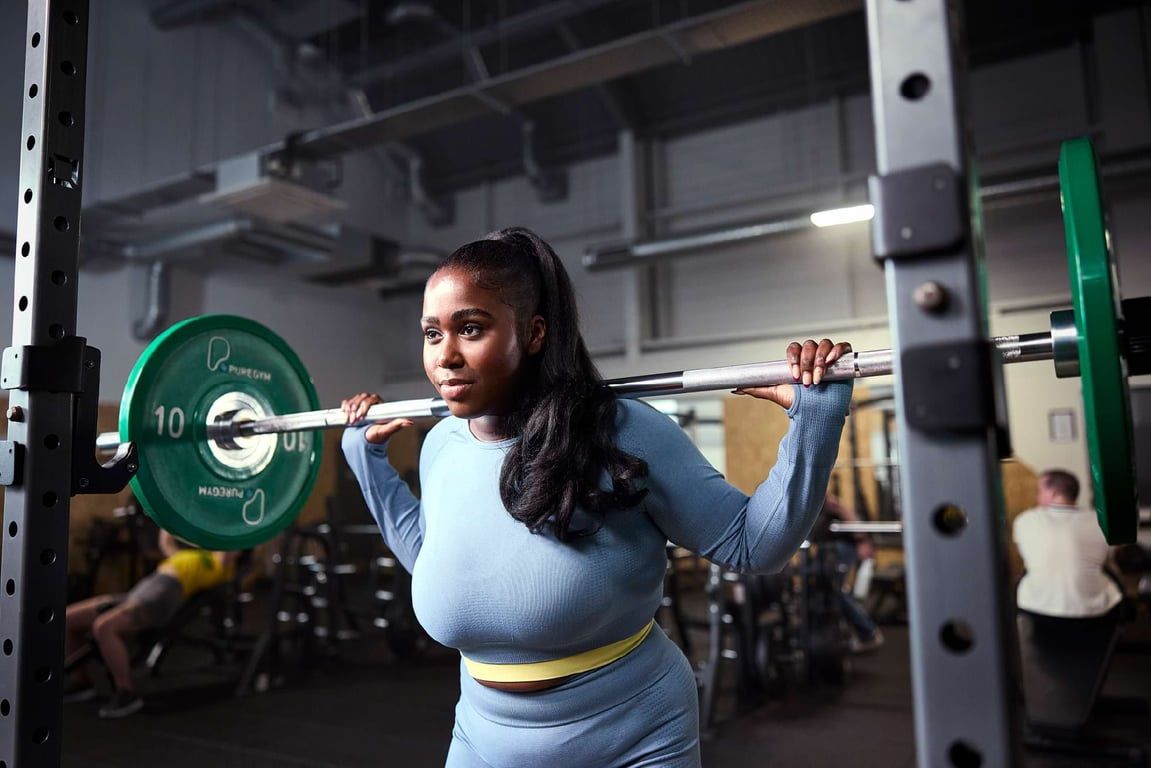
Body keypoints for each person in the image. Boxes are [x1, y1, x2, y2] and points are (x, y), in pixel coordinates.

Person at [341, 226, 853, 767]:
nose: (445, 357)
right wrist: (365, 462)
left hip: (634, 734)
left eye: (471, 328)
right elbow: (431, 559)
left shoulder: (623, 431)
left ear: (534, 333)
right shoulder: (441, 442)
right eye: (431, 333)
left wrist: (814, 419)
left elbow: (754, 546)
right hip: (483, 737)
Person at [64, 528, 239, 718]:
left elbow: (231, 542)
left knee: (105, 627)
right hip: (142, 589)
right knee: (67, 618)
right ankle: (81, 682)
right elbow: (167, 542)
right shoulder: (185, 555)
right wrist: (170, 517)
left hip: (164, 594)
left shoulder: (222, 566)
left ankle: (127, 692)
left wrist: (223, 524)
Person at [1013, 469, 1122, 618]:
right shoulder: (1100, 521)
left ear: (1052, 493)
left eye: (1039, 491)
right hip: (1094, 614)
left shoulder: (1025, 520)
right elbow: (1110, 556)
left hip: (1036, 609)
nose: (1037, 496)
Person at [815, 494, 884, 653]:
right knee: (825, 592)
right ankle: (843, 633)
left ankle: (869, 632)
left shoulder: (826, 499)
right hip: (825, 551)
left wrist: (863, 541)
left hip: (840, 549)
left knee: (835, 591)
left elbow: (847, 514)